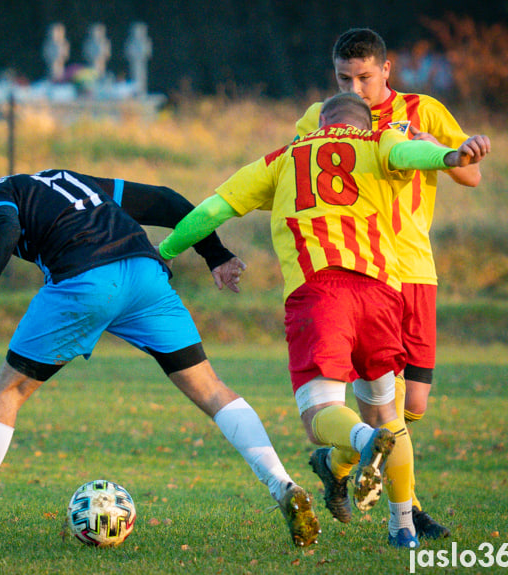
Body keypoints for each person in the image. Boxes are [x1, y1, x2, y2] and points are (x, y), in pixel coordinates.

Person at [0, 170, 321, 548]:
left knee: (8, 389)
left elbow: (4, 228)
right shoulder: (69, 182)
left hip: (84, 280)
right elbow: (165, 199)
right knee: (211, 389)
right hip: (145, 277)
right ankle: (282, 484)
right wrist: (215, 254)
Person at [159, 92, 490, 548]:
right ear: (363, 121)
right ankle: (403, 529)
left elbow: (215, 209)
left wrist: (167, 251)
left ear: (319, 123)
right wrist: (450, 155)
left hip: (319, 294)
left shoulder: (284, 157)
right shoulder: (379, 139)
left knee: (319, 416)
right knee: (390, 412)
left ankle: (362, 438)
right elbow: (410, 152)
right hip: (381, 292)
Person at [294, 28, 483, 540]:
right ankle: (409, 512)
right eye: (343, 78)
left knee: (413, 405)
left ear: (387, 69)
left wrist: (441, 149)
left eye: (364, 77)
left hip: (416, 268)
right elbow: (296, 174)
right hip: (364, 273)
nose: (354, 88)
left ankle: (334, 464)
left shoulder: (425, 110)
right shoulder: (322, 115)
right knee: (387, 403)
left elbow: (470, 176)